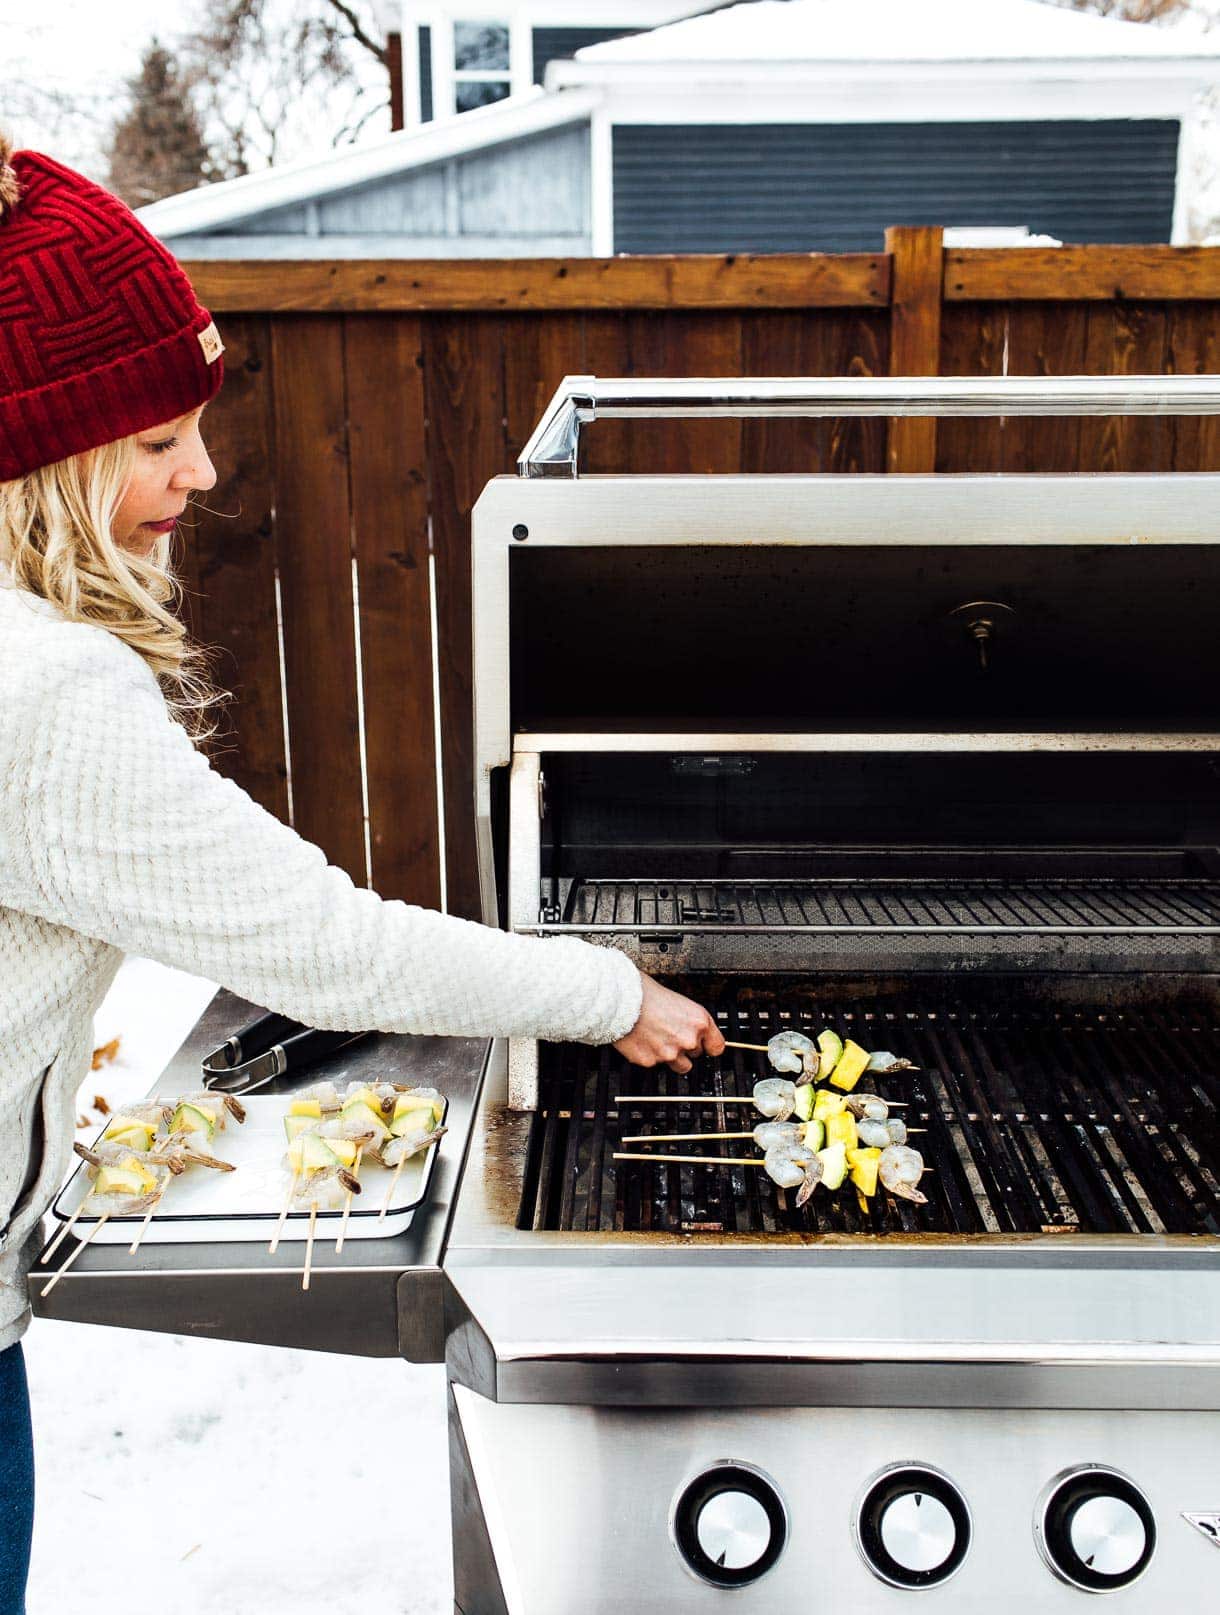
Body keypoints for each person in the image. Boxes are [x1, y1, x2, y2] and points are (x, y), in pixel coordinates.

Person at [0, 137, 724, 1614]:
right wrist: (607, 993)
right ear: (38, 455)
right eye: (152, 441)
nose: (201, 471)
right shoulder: (46, 690)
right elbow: (326, 951)